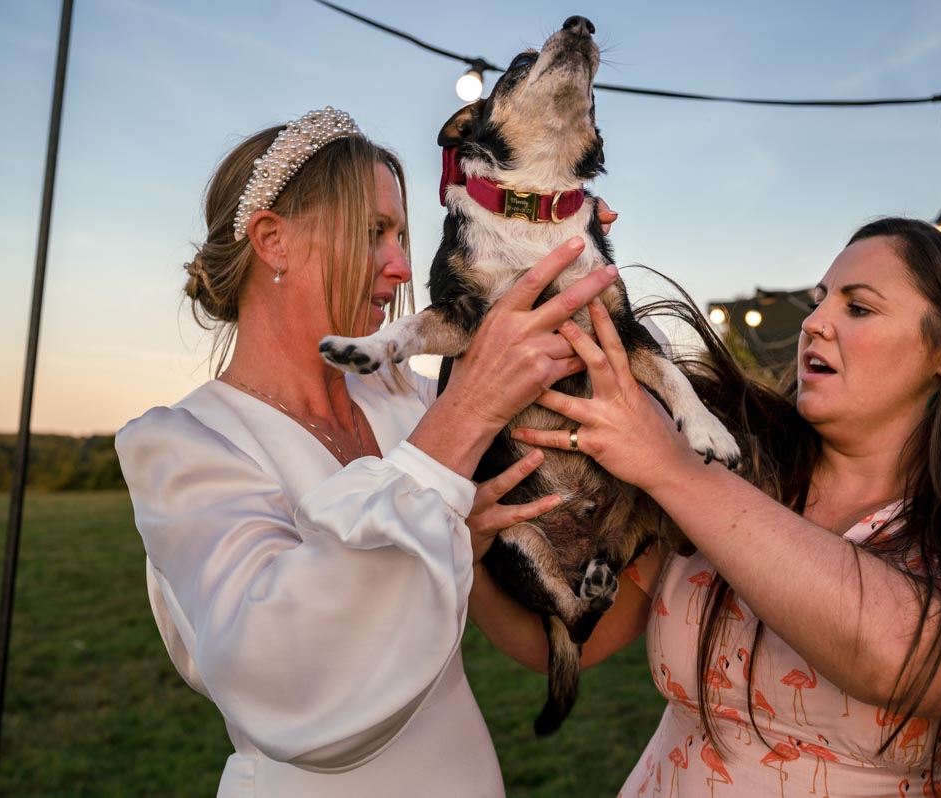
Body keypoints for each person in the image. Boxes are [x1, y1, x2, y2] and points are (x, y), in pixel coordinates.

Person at [471, 218, 941, 797]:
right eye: (819, 299)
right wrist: (473, 560)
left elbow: (907, 659)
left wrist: (671, 467)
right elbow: (569, 642)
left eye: (857, 307)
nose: (814, 322)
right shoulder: (739, 461)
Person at [115, 106, 620, 797]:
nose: (402, 266)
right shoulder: (182, 446)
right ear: (273, 240)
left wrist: (556, 252)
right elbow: (281, 667)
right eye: (375, 232)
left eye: (405, 235)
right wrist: (466, 410)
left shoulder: (407, 401)